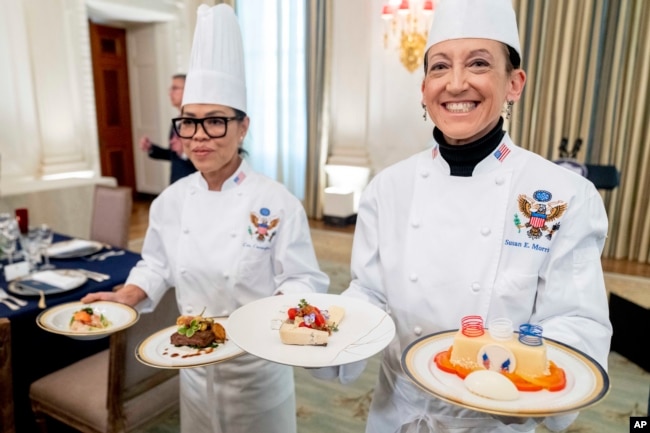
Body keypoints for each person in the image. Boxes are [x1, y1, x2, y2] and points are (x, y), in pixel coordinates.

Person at [310, 0, 612, 432]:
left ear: (514, 83)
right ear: (423, 87)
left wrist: (521, 381)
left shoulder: (566, 196)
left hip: (497, 417)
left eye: (478, 63)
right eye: (439, 67)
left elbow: (576, 321)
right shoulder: (387, 188)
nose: (455, 83)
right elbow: (371, 294)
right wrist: (325, 337)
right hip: (398, 411)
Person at [82, 4, 328, 433]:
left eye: (215, 122)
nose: (198, 137)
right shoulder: (171, 201)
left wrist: (287, 310)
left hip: (257, 372)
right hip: (192, 366)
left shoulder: (278, 202)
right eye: (189, 123)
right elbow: (156, 263)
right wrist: (128, 294)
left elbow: (302, 279)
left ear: (242, 126)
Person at [139, 73, 197, 184]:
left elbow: (210, 160)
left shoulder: (198, 122)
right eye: (170, 89)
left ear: (188, 91)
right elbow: (173, 155)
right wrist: (151, 148)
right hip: (175, 185)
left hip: (192, 186)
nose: (170, 93)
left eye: (175, 88)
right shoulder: (177, 121)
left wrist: (185, 153)